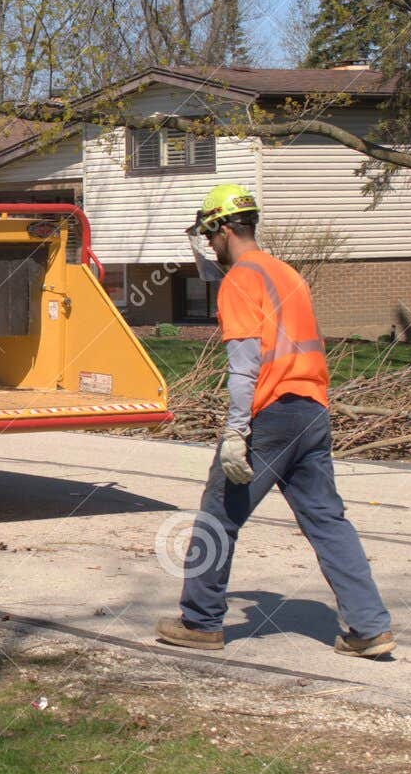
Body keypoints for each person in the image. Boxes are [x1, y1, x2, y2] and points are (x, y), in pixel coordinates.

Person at [155, 183, 395, 658]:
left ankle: (200, 623)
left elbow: (245, 365)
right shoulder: (285, 274)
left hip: (271, 415)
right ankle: (368, 627)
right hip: (312, 410)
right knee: (328, 520)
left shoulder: (242, 280)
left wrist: (235, 431)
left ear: (223, 230)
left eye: (208, 235)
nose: (207, 244)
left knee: (218, 517)